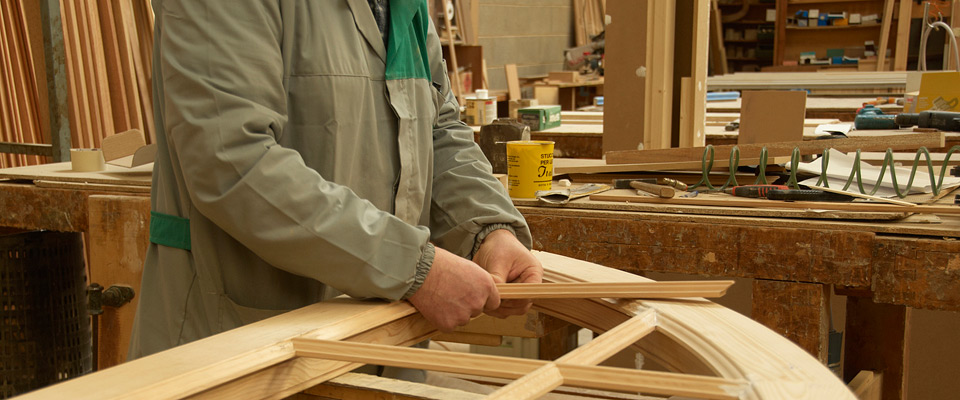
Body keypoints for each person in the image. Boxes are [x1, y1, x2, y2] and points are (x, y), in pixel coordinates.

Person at [129, 0, 542, 360]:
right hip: (241, 343)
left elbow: (438, 128)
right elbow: (232, 161)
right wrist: (412, 267)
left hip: (378, 338)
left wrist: (488, 231)